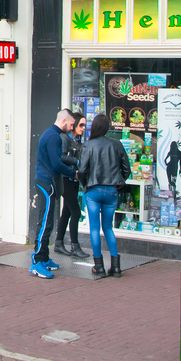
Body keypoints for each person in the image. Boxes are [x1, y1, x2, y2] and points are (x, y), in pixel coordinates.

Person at [79, 113, 131, 279]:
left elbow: (82, 171)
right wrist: (118, 183)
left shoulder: (88, 145)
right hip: (111, 191)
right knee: (108, 227)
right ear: (107, 127)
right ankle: (116, 267)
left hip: (93, 190)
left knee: (94, 228)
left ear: (94, 127)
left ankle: (99, 266)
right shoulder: (116, 144)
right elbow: (126, 169)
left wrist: (85, 185)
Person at [31, 109, 77, 279]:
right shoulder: (53, 137)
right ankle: (37, 261)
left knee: (47, 221)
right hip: (46, 183)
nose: (72, 128)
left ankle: (43, 257)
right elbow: (57, 163)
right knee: (45, 222)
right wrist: (74, 173)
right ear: (64, 121)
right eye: (71, 124)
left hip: (45, 182)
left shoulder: (50, 134)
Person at [55, 110, 89, 259]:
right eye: (81, 125)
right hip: (65, 178)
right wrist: (77, 162)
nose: (83, 128)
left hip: (74, 179)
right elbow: (61, 157)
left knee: (67, 212)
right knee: (75, 211)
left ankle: (58, 243)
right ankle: (75, 246)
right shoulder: (65, 138)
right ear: (73, 124)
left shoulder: (76, 141)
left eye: (84, 126)